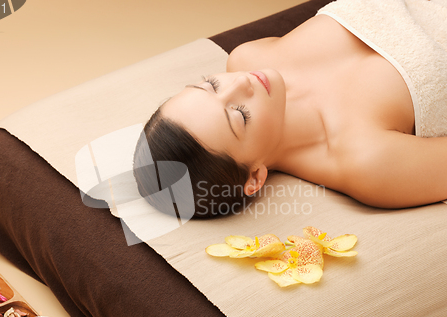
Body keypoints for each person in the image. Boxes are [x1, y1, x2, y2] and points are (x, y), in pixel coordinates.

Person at [134, 0, 447, 218]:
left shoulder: (247, 57)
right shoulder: (366, 162)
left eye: (211, 85)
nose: (240, 83)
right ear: (254, 177)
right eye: (239, 115)